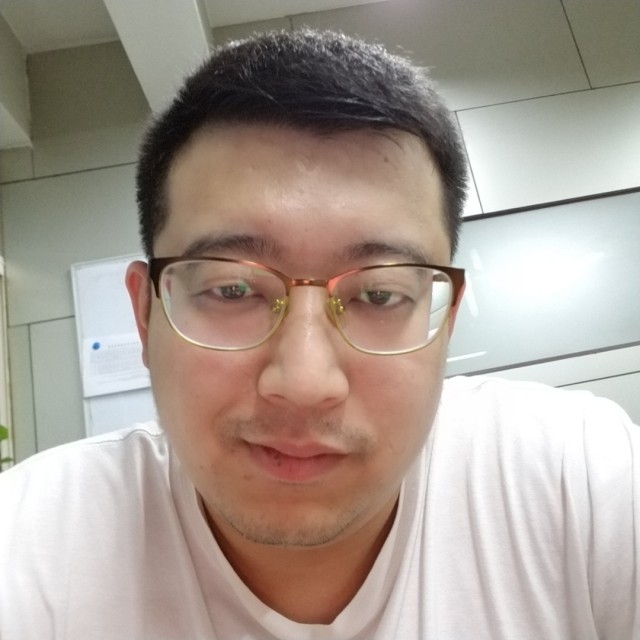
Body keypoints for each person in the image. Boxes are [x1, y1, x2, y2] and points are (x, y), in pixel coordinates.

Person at [0, 29, 638, 640]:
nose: (305, 383)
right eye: (232, 289)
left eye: (379, 295)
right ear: (145, 315)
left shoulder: (577, 478)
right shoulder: (33, 545)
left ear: (442, 323)